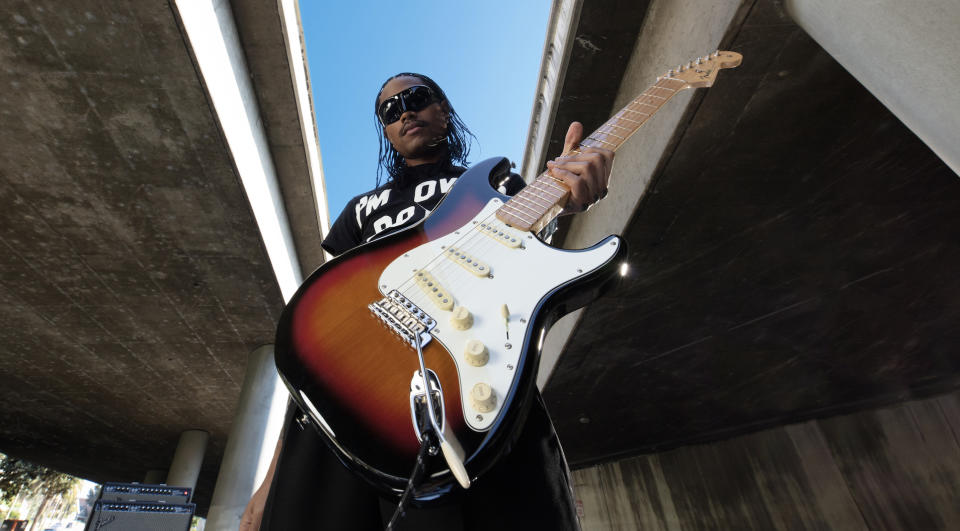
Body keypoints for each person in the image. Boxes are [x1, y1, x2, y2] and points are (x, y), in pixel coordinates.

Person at [240, 73, 613, 530]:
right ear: (387, 133)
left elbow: (537, 247)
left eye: (415, 99)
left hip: (475, 389)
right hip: (350, 404)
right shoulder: (360, 210)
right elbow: (323, 340)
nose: (404, 112)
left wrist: (570, 194)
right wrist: (268, 483)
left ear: (443, 109)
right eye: (389, 111)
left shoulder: (493, 187)